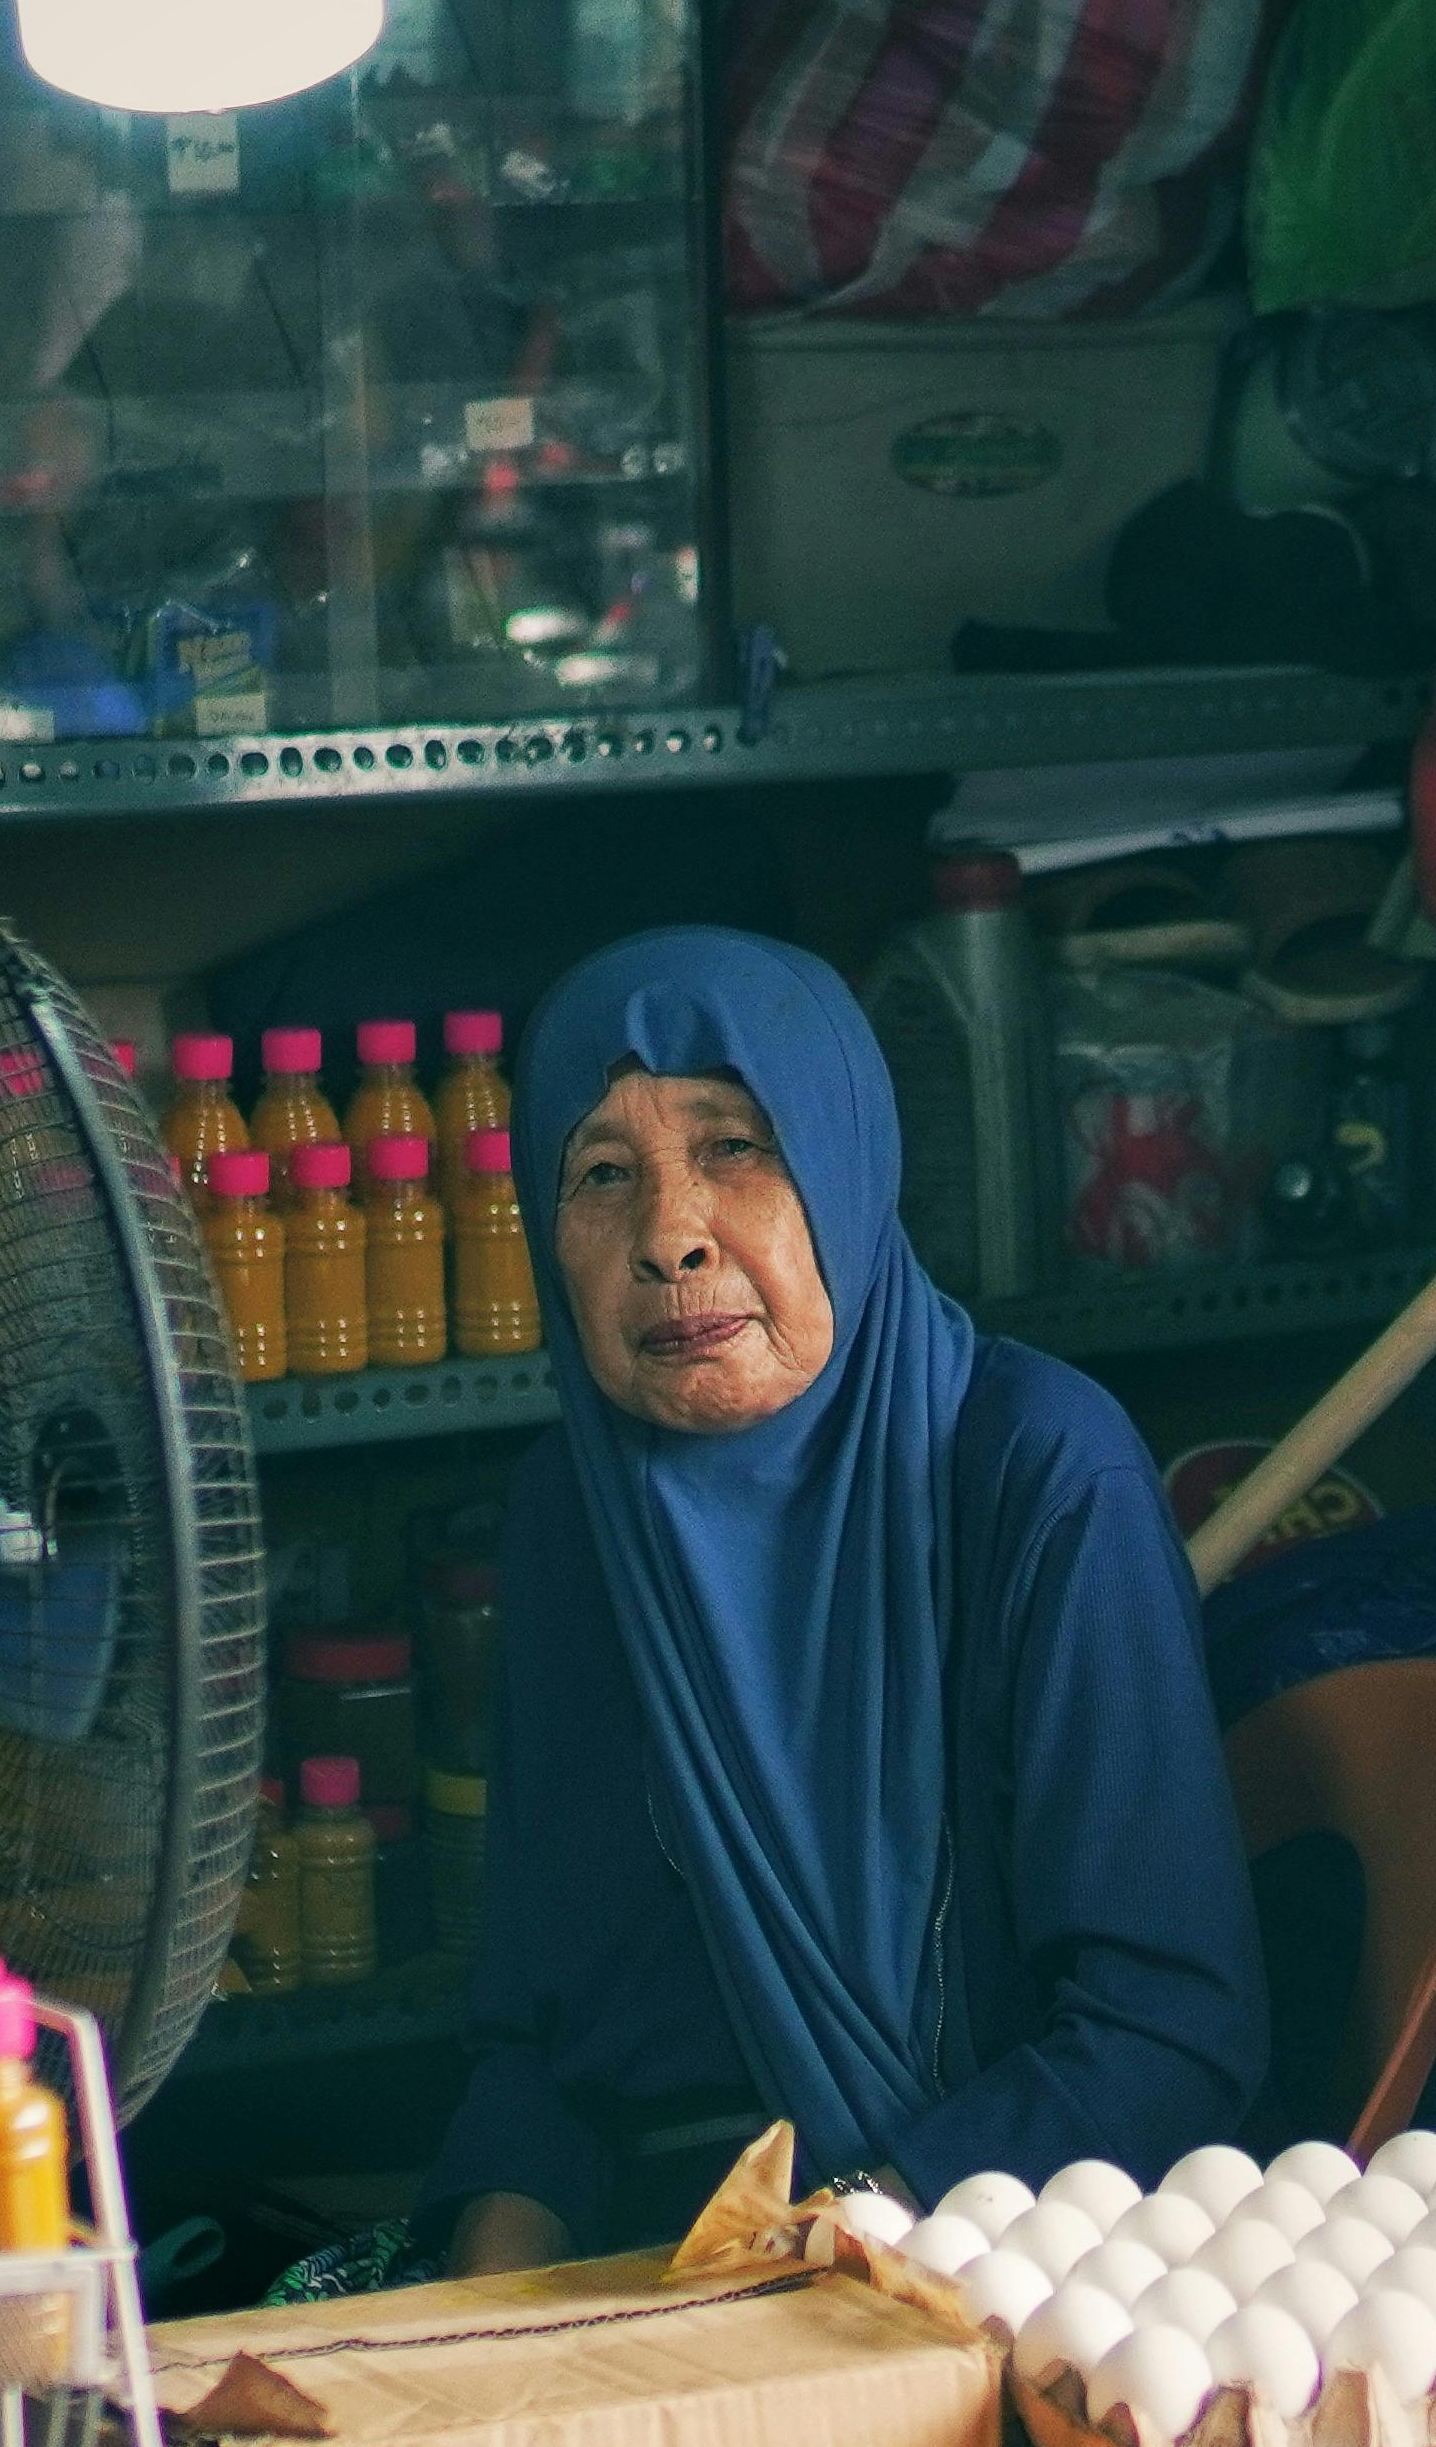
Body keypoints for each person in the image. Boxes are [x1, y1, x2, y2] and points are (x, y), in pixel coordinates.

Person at [422, 929, 1265, 2271]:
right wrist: (482, 2348)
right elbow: (541, 2045)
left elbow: (1163, 2037)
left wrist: (839, 2239)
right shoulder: (571, 1514)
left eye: (736, 1149)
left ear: (849, 1166)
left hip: (980, 2245)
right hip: (656, 2266)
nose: (670, 1240)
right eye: (599, 1176)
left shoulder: (1037, 1472)